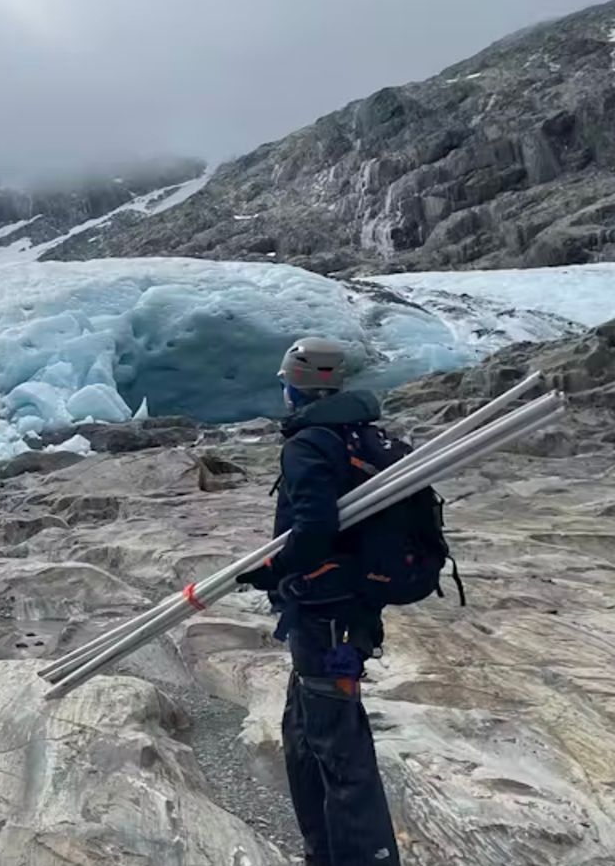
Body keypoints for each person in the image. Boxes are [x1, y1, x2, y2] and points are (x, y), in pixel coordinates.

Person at [236, 337, 401, 866]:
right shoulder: (356, 435)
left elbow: (313, 528)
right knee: (305, 735)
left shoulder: (309, 444)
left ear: (297, 384)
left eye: (285, 381)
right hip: (345, 609)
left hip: (326, 614)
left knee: (338, 749)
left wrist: (272, 570)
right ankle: (323, 853)